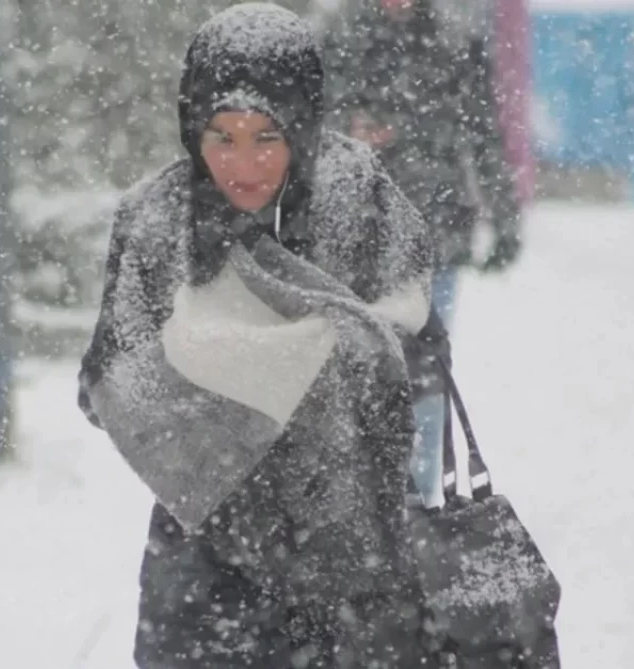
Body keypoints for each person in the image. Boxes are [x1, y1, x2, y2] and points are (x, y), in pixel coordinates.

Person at [77, 3, 448, 667]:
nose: (241, 162)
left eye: (267, 136)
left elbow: (416, 352)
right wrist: (221, 410)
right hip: (202, 569)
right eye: (221, 136)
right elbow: (108, 381)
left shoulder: (360, 201)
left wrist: (284, 367)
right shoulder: (158, 221)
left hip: (350, 568)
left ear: (303, 123)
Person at [323, 0, 524, 508]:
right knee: (353, 375)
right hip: (353, 239)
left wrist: (504, 220)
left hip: (436, 236)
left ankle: (416, 505)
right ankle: (364, 505)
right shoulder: (338, 37)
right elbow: (305, 131)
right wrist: (351, 128)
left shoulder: (456, 44)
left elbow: (484, 135)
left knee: (425, 374)